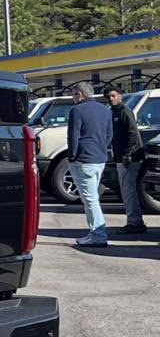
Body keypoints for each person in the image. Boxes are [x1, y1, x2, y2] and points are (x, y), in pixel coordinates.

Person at [66, 81, 112, 247]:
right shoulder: (104, 110)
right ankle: (95, 233)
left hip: (83, 159)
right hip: (99, 158)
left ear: (80, 94)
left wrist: (72, 157)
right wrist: (100, 148)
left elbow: (73, 137)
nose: (73, 98)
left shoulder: (77, 110)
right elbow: (109, 135)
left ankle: (98, 235)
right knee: (93, 198)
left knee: (90, 200)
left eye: (73, 95)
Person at [106, 88, 147, 235]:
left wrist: (127, 155)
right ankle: (133, 221)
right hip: (120, 157)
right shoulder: (113, 112)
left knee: (128, 191)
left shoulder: (124, 111)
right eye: (108, 97)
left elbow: (133, 134)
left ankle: (135, 223)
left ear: (120, 96)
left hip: (130, 159)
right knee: (126, 190)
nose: (111, 99)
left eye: (113, 96)